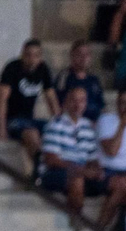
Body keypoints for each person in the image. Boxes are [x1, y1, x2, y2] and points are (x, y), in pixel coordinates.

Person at [39, 85, 104, 215]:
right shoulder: (55, 124)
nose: (78, 104)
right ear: (66, 102)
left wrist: (96, 169)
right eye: (74, 100)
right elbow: (51, 160)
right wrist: (81, 170)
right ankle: (76, 224)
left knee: (119, 183)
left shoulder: (87, 126)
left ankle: (103, 225)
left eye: (82, 100)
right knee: (77, 180)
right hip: (54, 173)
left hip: (80, 171)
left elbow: (92, 158)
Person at [0, 39, 58, 164]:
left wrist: (60, 125)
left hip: (29, 119)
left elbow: (51, 98)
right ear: (22, 55)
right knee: (32, 133)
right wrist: (1, 128)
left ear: (40, 57)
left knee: (52, 130)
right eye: (28, 55)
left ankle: (52, 167)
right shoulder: (12, 68)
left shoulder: (43, 69)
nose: (32, 59)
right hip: (12, 120)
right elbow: (1, 99)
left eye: (36, 56)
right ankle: (38, 169)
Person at [54, 41, 104, 122]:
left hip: (93, 122)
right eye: (79, 54)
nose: (83, 58)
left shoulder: (94, 80)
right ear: (72, 56)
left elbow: (100, 104)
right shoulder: (64, 77)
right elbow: (58, 103)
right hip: (71, 121)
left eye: (86, 54)